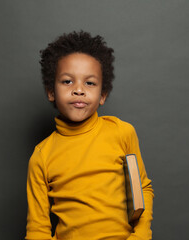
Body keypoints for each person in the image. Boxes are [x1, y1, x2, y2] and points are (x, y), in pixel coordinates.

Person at [25, 31, 154, 240]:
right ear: (51, 92)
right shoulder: (42, 156)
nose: (79, 90)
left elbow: (143, 189)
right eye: (67, 81)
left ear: (102, 95)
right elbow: (37, 230)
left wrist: (140, 236)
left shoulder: (121, 133)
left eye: (90, 83)